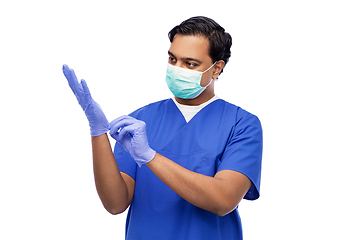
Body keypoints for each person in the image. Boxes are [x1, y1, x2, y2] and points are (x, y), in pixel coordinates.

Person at [63, 16, 263, 240]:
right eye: (172, 59)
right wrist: (97, 132)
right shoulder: (140, 120)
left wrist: (150, 156)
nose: (177, 69)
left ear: (216, 68)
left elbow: (223, 200)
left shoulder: (241, 124)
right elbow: (115, 203)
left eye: (190, 64)